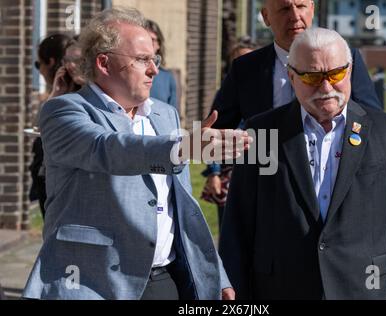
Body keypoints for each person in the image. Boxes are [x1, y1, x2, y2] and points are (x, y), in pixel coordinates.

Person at [22, 7, 251, 300]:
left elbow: (181, 206)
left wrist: (215, 274)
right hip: (90, 282)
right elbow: (106, 148)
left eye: (154, 59)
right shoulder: (63, 111)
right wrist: (183, 148)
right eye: (142, 60)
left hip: (165, 279)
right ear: (104, 63)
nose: (154, 69)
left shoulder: (164, 114)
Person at [219, 27, 386, 300]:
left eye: (335, 74)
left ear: (349, 70)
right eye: (312, 76)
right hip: (280, 289)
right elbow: (237, 226)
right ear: (291, 76)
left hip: (360, 290)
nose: (326, 87)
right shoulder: (262, 132)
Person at [211, 0, 381, 130]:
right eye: (285, 9)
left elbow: (373, 123)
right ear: (266, 16)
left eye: (301, 6)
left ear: (312, 9)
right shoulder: (245, 68)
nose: (294, 16)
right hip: (270, 172)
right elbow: (215, 131)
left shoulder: (346, 59)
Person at [201, 36, 258, 232]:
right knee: (229, 228)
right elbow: (213, 133)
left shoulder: (267, 93)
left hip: (261, 168)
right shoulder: (225, 94)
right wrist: (214, 173)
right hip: (229, 170)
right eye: (238, 61)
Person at [30, 34, 71, 219]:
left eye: (39, 65)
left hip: (53, 172)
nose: (40, 71)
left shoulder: (63, 95)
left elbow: (40, 125)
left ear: (51, 61)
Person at [145, 19, 178, 109]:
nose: (148, 43)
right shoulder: (131, 71)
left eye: (152, 39)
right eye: (145, 38)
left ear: (159, 44)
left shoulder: (167, 77)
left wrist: (197, 124)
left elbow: (173, 113)